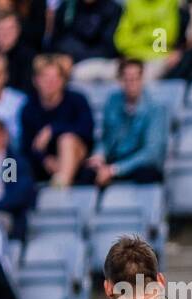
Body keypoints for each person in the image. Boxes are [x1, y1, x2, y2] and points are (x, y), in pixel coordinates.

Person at [86, 58, 166, 186]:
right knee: (87, 173)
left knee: (147, 174)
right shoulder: (113, 101)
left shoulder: (156, 108)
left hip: (137, 164)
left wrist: (115, 169)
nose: (131, 83)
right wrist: (98, 156)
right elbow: (105, 138)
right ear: (120, 80)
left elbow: (151, 153)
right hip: (114, 159)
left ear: (142, 79)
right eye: (126, 79)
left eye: (135, 78)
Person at [20, 53, 94, 186]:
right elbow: (27, 145)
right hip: (43, 163)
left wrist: (53, 130)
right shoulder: (29, 108)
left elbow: (86, 131)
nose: (50, 83)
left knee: (66, 140)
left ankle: (61, 185)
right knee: (10, 165)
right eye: (45, 78)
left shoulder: (76, 100)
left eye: (55, 78)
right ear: (36, 80)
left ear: (63, 80)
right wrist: (45, 160)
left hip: (78, 156)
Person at [51, 0, 122, 82]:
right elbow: (56, 40)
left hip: (98, 60)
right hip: (68, 57)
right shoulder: (68, 6)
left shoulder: (112, 9)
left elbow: (108, 47)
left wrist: (71, 57)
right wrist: (60, 56)